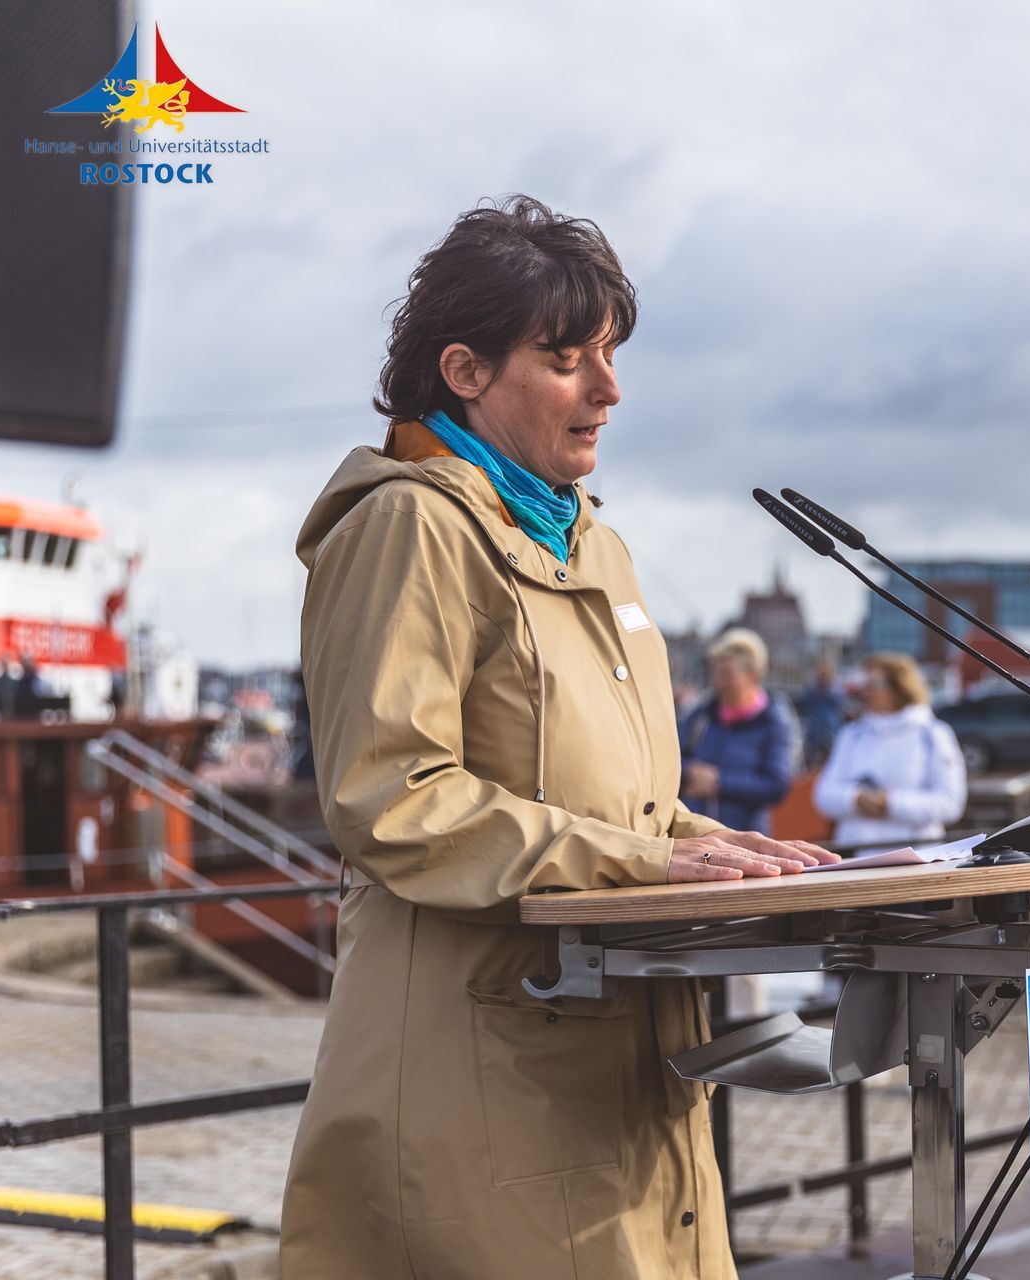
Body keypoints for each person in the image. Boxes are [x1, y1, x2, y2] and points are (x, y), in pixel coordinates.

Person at [280, 195, 837, 1280]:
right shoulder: (411, 526)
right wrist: (651, 858)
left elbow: (627, 804)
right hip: (481, 1079)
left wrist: (743, 854)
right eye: (567, 356)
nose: (609, 388)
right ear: (466, 371)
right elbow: (388, 794)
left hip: (620, 1063)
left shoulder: (598, 545)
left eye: (611, 354)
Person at [813, 652, 966, 854]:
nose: (865, 692)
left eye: (874, 685)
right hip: (856, 861)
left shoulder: (933, 734)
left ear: (899, 688)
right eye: (864, 685)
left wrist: (890, 803)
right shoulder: (851, 734)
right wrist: (855, 798)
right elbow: (823, 795)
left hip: (916, 862)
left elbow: (950, 803)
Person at [677, 628, 799, 835]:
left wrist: (719, 782)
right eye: (715, 673)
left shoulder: (774, 722)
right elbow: (670, 762)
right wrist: (690, 773)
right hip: (696, 839)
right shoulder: (700, 716)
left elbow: (777, 785)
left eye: (726, 674)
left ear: (753, 674)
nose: (718, 682)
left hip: (748, 842)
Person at [794, 657, 846, 767]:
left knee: (831, 762)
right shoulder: (812, 689)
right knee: (810, 763)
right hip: (813, 732)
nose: (823, 677)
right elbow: (803, 702)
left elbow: (839, 702)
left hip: (830, 732)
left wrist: (826, 690)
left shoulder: (835, 689)